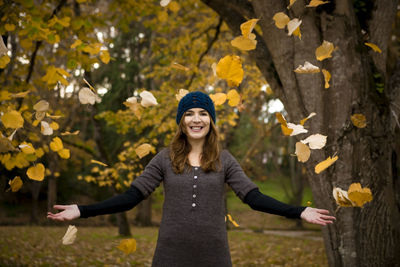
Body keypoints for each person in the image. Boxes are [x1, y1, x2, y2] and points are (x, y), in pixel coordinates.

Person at [48, 91, 335, 266]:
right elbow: (129, 199)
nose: (196, 119)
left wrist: (299, 211)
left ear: (210, 120)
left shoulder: (225, 160)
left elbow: (254, 199)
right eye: (189, 114)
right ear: (181, 122)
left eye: (202, 113)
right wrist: (82, 210)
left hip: (214, 256)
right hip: (170, 256)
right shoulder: (163, 158)